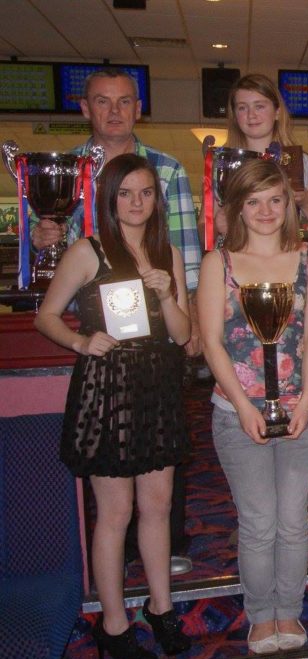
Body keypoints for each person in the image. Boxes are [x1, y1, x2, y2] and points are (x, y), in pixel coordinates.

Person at [31, 67, 202, 573]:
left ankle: (162, 566)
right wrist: (43, 240)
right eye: (102, 101)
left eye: (124, 101)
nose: (114, 110)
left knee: (159, 491)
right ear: (85, 108)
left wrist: (183, 313)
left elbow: (185, 253)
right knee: (114, 502)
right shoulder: (65, 170)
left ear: (138, 108)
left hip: (156, 343)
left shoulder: (167, 169)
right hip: (104, 352)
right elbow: (56, 274)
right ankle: (115, 583)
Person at [34, 154, 192, 659]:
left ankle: (161, 606)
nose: (136, 202)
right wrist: (81, 341)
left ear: (157, 199)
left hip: (157, 386)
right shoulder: (88, 250)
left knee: (158, 504)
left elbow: (184, 334)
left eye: (145, 193)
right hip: (108, 388)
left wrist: (168, 293)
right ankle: (114, 622)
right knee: (116, 512)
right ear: (109, 198)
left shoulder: (166, 252)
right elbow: (47, 316)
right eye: (126, 193)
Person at [197, 159, 308, 654]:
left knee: (294, 519)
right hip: (236, 411)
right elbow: (211, 341)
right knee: (257, 521)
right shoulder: (219, 263)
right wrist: (243, 404)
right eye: (253, 201)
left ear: (289, 204)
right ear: (237, 209)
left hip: (301, 409)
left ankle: (289, 612)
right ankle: (260, 615)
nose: (266, 210)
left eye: (275, 199)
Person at [224, 72, 308, 231]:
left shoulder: (300, 162)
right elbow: (203, 229)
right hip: (237, 254)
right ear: (234, 116)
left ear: (277, 112)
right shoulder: (223, 163)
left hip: (285, 253)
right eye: (242, 108)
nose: (251, 115)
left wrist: (307, 201)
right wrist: (216, 224)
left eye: (259, 106)